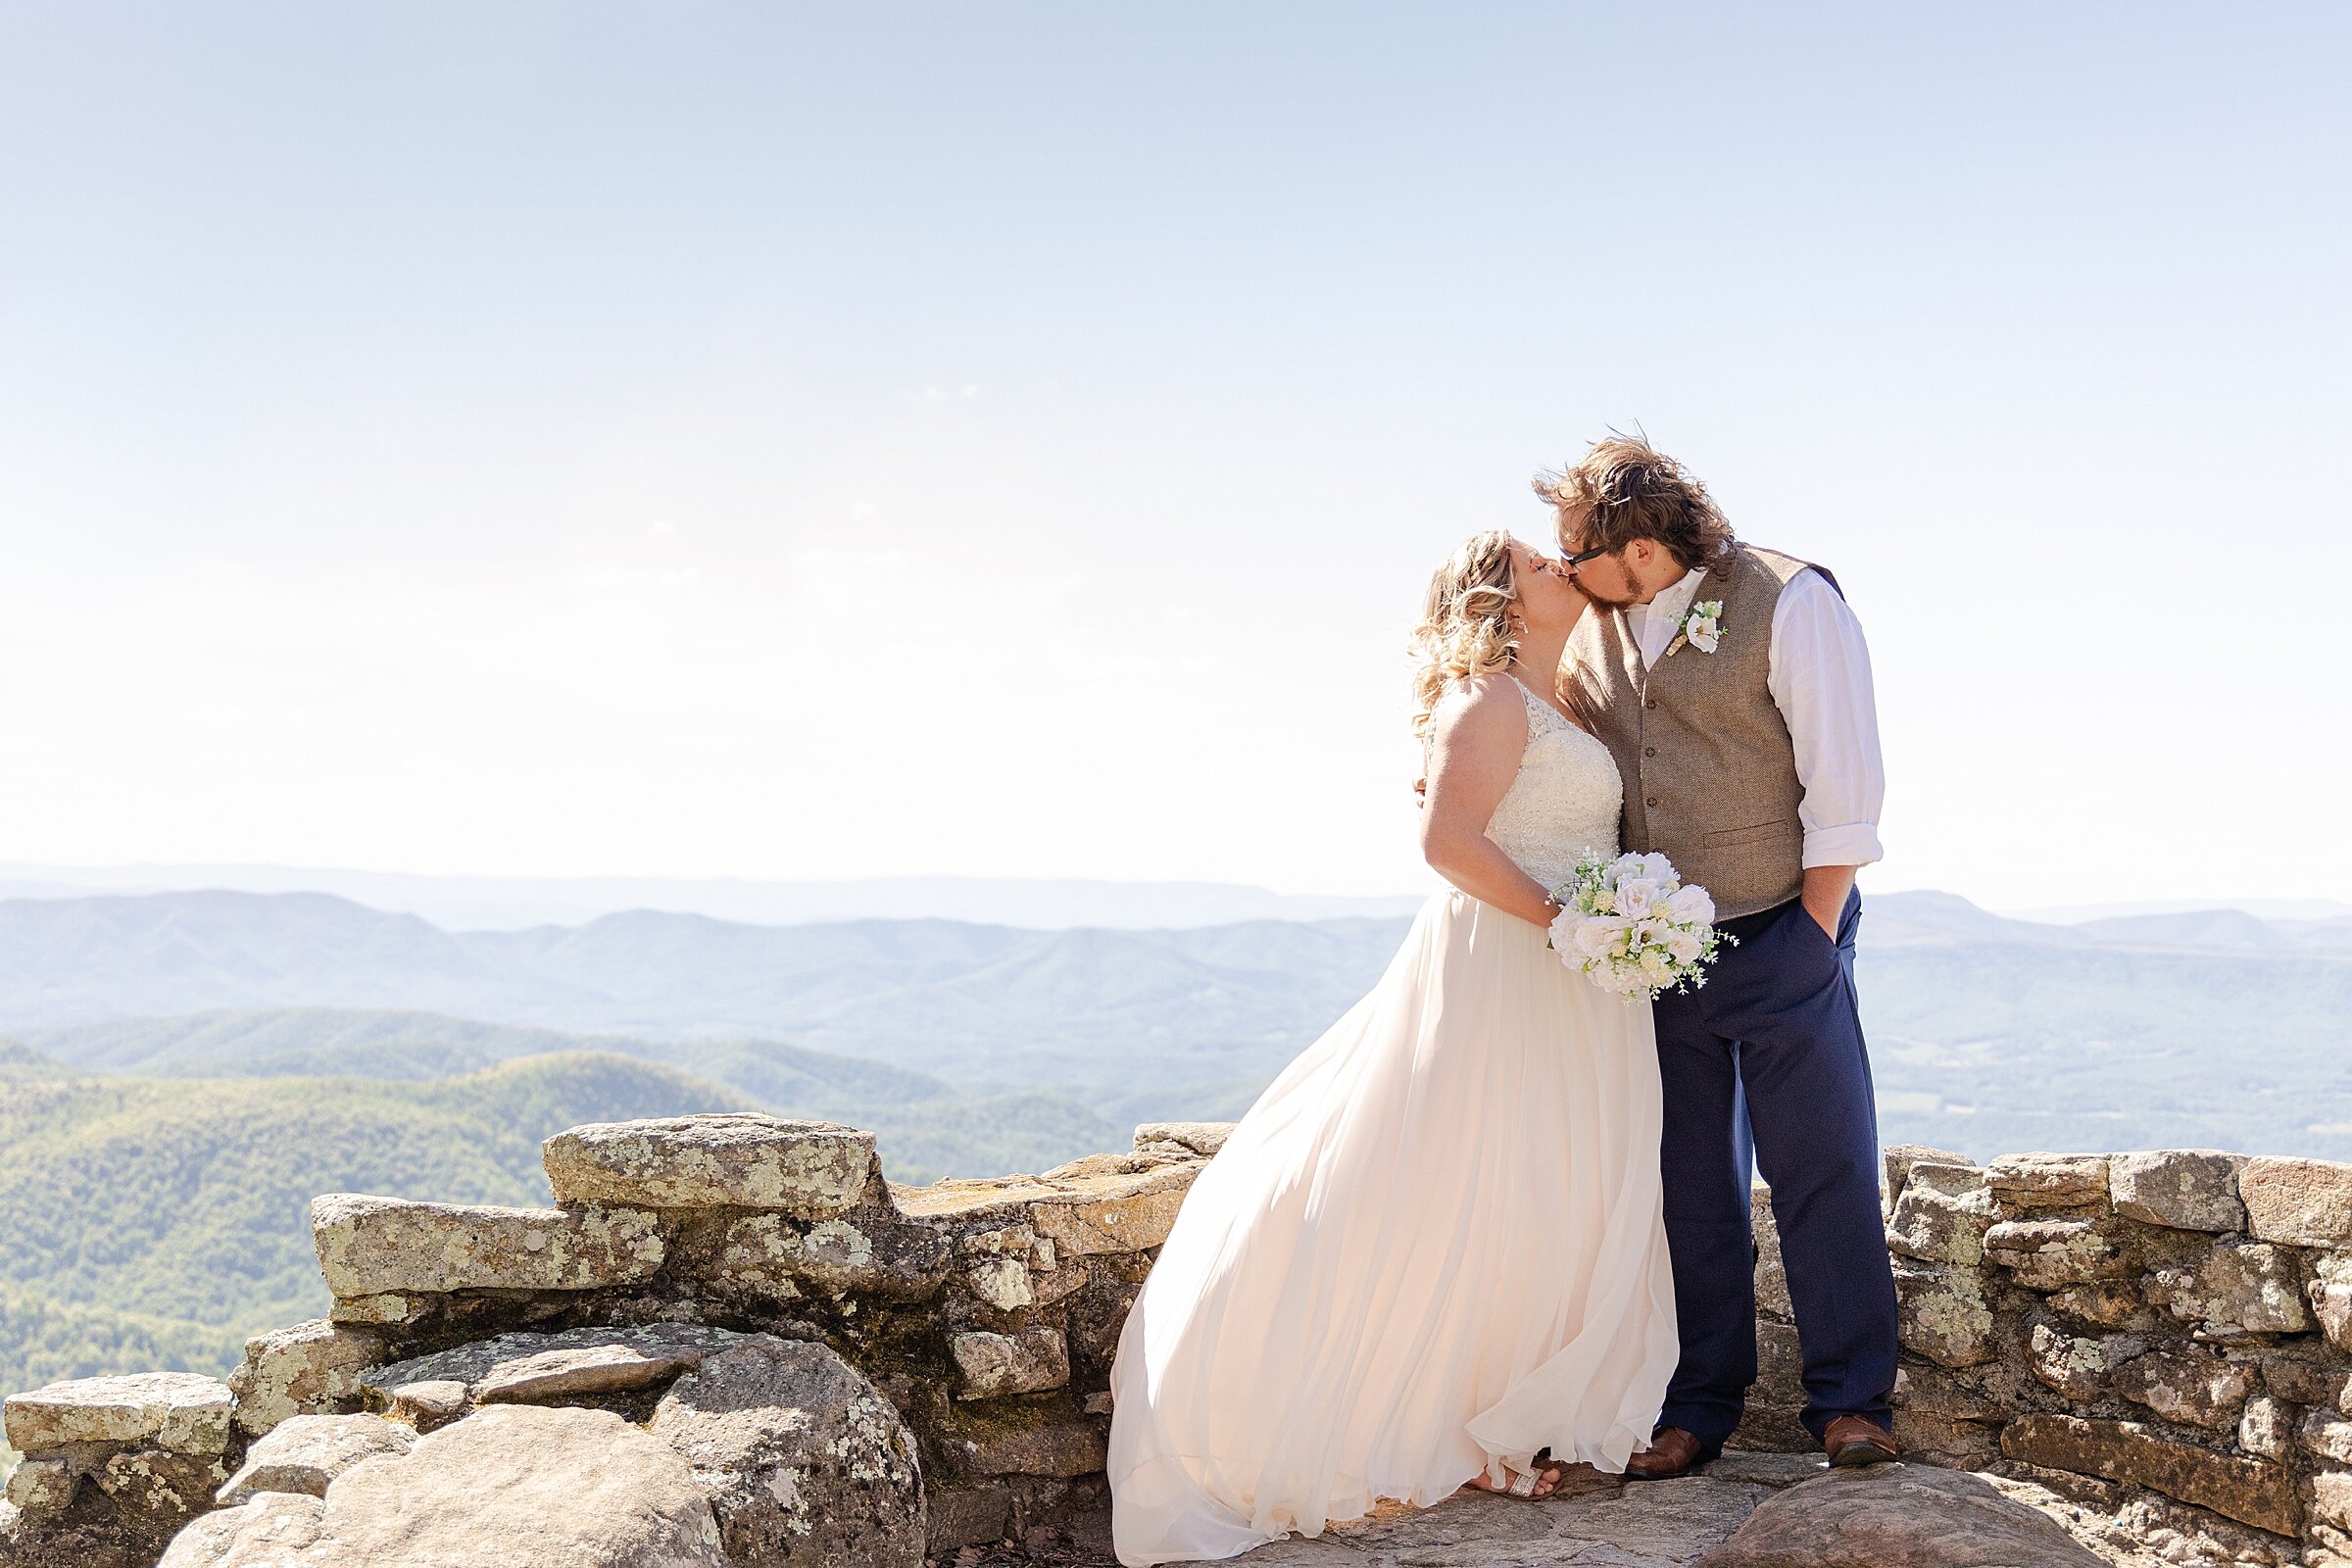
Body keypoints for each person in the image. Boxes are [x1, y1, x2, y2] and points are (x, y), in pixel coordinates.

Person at [1105, 530, 1679, 1567]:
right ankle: (1429, 1424)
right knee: (1459, 1178)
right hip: (1510, 964)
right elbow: (1447, 844)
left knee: (1540, 1190)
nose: (1564, 564)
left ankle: (1491, 1418)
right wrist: (1569, 922)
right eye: (1541, 564)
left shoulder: (1572, 701)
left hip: (1578, 975)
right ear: (1505, 603)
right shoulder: (1490, 698)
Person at [1544, 434, 1899, 1475]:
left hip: (1786, 926)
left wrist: (1813, 937)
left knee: (1821, 1165)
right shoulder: (1594, 634)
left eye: (1580, 554)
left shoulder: (1791, 599)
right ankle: (1698, 1404)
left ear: (1642, 549)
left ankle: (1852, 1404)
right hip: (1654, 956)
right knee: (1686, 1181)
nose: (1568, 573)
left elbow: (1848, 787)